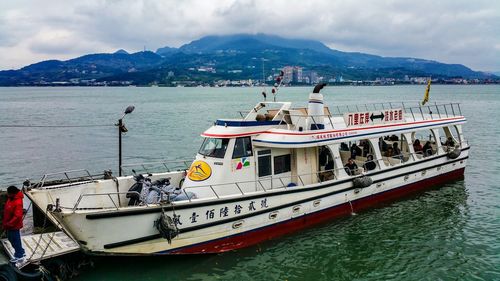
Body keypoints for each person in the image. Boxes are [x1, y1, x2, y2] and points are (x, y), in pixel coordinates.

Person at [3, 186, 25, 263]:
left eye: (8, 193)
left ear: (13, 193)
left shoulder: (17, 202)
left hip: (13, 225)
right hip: (8, 224)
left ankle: (19, 256)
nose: (7, 194)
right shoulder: (11, 198)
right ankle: (21, 251)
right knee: (11, 238)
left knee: (15, 240)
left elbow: (18, 216)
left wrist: (9, 223)